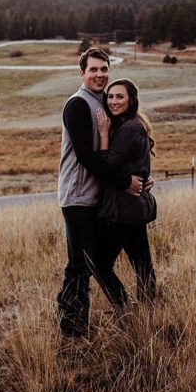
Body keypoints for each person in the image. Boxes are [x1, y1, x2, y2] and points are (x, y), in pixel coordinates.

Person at [56, 47, 147, 337]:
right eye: (93, 69)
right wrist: (124, 183)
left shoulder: (103, 102)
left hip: (99, 198)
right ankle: (72, 331)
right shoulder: (78, 105)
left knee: (96, 262)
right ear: (81, 73)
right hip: (78, 198)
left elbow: (118, 152)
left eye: (104, 69)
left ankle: (128, 313)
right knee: (80, 265)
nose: (100, 74)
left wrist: (140, 178)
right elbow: (86, 156)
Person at [92, 78, 158, 307]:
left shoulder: (129, 127)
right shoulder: (132, 124)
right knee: (143, 266)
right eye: (110, 96)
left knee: (98, 264)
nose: (113, 101)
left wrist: (102, 134)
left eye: (120, 96)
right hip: (134, 207)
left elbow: (107, 164)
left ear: (131, 100)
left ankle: (126, 307)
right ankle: (148, 314)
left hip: (122, 209)